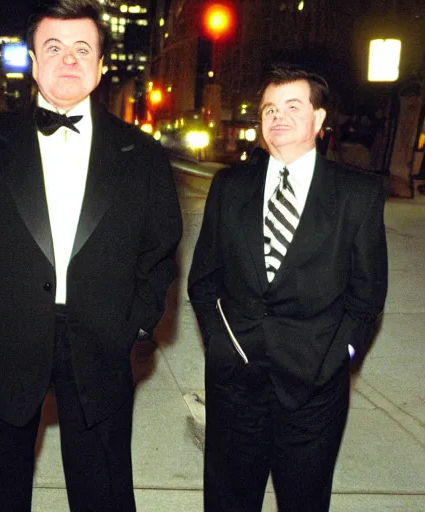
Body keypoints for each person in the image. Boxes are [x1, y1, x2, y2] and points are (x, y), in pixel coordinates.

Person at [0, 0, 182, 510]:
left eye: (81, 49)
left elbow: (160, 251)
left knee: (104, 492)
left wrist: (136, 325)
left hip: (101, 345)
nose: (68, 60)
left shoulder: (144, 155)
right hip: (1, 346)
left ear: (100, 65)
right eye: (54, 47)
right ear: (32, 58)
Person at [188, 66, 388, 512]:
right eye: (269, 109)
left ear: (319, 120)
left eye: (292, 107)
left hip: (314, 388)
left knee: (303, 501)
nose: (278, 117)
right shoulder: (229, 186)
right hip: (235, 382)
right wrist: (221, 343)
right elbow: (203, 281)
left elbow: (367, 296)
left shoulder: (357, 194)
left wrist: (341, 358)